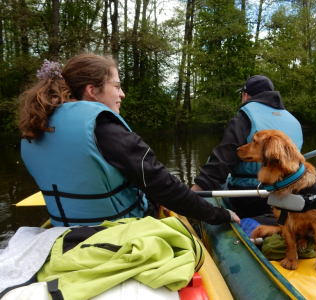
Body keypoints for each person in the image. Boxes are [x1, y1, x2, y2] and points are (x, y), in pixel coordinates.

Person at [18, 53, 240, 227]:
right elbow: (164, 186)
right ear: (92, 91)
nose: (122, 94)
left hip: (63, 231)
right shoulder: (105, 130)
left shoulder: (37, 126)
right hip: (114, 233)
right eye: (116, 86)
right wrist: (220, 214)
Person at [191, 75, 303, 225]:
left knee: (219, 177)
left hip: (249, 199)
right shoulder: (294, 121)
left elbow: (219, 166)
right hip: (287, 195)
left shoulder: (243, 118)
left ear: (245, 95)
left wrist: (188, 196)